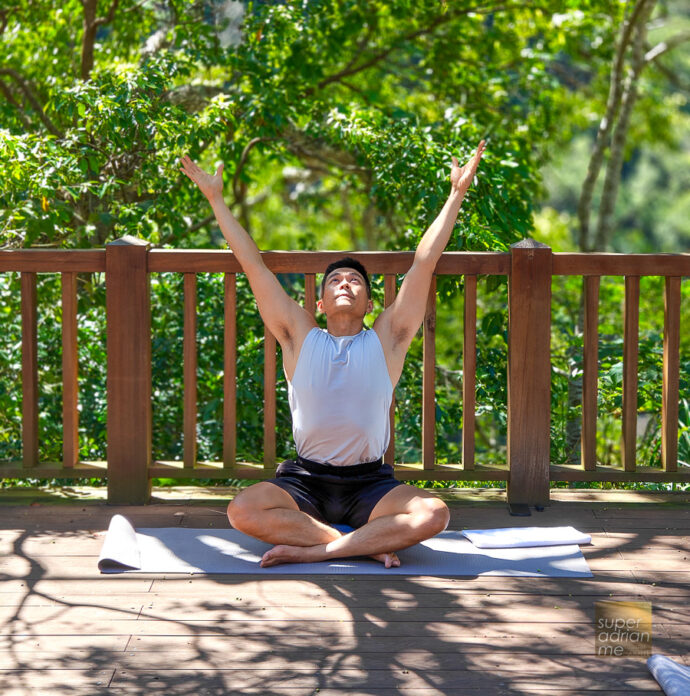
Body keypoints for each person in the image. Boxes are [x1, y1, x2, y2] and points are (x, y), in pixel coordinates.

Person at [181, 141, 485, 568]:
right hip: (306, 480)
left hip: (370, 484)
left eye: (355, 281)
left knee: (435, 513)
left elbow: (423, 264)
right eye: (335, 280)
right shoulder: (299, 336)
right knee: (241, 510)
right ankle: (365, 544)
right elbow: (252, 265)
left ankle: (319, 550)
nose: (345, 283)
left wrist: (456, 195)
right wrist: (215, 198)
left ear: (370, 302)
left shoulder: (387, 339)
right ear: (319, 304)